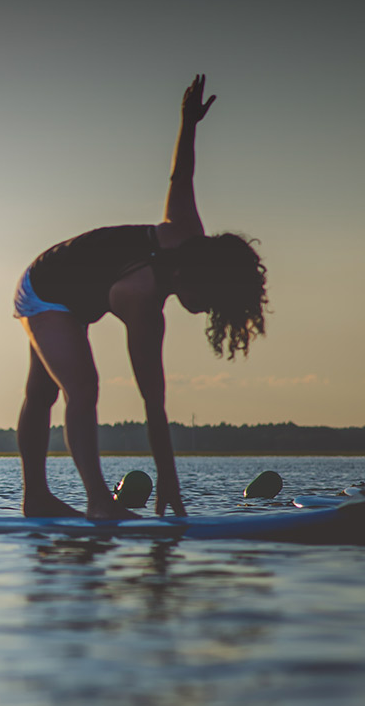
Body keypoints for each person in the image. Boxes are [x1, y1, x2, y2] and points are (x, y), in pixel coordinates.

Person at [15, 75, 266, 519]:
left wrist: (188, 123)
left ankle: (38, 501)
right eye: (211, 299)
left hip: (81, 292)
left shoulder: (186, 235)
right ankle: (94, 503)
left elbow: (181, 174)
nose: (206, 310)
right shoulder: (141, 298)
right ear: (200, 276)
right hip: (46, 286)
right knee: (78, 388)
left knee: (43, 391)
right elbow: (152, 400)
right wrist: (167, 479)